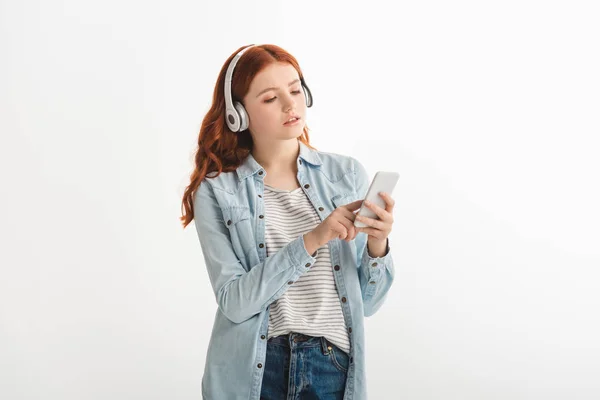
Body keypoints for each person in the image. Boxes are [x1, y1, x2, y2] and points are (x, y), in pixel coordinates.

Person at [180, 44, 396, 400]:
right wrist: (313, 238)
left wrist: (377, 245)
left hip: (331, 366)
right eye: (270, 98)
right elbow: (234, 301)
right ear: (238, 113)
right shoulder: (218, 190)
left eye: (295, 90)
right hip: (257, 369)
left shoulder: (345, 175)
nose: (290, 105)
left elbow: (368, 304)